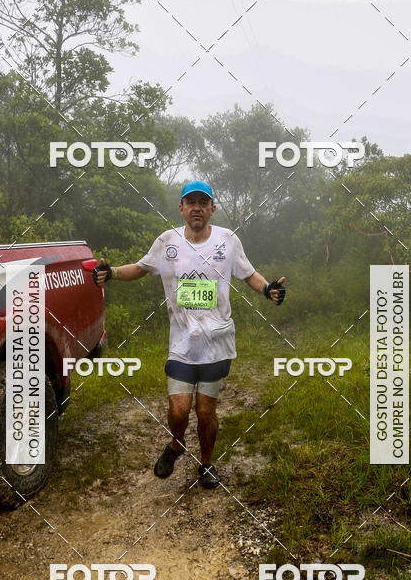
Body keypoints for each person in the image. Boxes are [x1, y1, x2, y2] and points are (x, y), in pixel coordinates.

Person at [93, 181, 286, 489]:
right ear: (181, 208)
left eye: (203, 201)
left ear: (212, 208)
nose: (197, 207)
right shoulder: (167, 241)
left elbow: (248, 273)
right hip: (181, 344)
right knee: (179, 409)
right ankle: (177, 443)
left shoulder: (228, 240)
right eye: (190, 201)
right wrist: (112, 273)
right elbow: (141, 268)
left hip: (217, 342)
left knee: (205, 411)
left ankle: (207, 463)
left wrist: (267, 289)